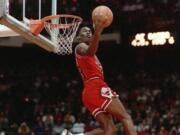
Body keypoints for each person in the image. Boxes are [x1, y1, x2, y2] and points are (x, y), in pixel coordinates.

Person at [61, 18, 137, 135]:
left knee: (110, 130)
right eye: (84, 31)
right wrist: (98, 32)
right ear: (79, 37)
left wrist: (96, 33)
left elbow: (92, 51)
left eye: (90, 31)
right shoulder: (80, 47)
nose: (88, 32)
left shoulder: (92, 55)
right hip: (96, 87)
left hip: (89, 92)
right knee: (125, 117)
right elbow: (90, 51)